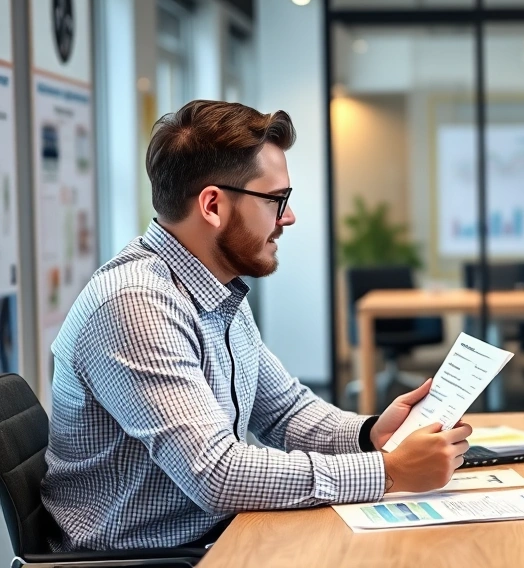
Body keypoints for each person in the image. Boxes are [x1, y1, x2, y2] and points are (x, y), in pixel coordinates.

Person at [42, 100, 471, 552]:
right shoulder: (135, 303)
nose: (288, 217)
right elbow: (217, 475)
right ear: (212, 205)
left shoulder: (216, 287)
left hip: (210, 537)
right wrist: (388, 471)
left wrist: (371, 434)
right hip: (147, 559)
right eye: (276, 200)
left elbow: (286, 412)